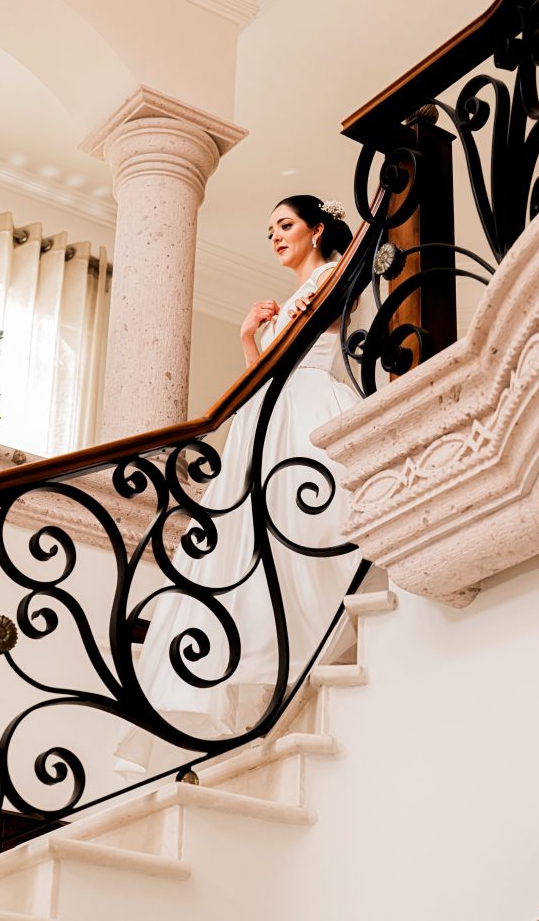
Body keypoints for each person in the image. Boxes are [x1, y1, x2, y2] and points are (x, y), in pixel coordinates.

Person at [114, 195, 363, 779]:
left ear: (317, 230)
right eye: (269, 228)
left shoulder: (332, 274)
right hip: (264, 419)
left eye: (285, 225)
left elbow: (303, 350)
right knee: (247, 538)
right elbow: (259, 377)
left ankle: (317, 636)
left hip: (306, 409)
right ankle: (267, 663)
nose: (275, 236)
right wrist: (248, 336)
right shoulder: (286, 301)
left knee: (303, 521)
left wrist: (273, 334)